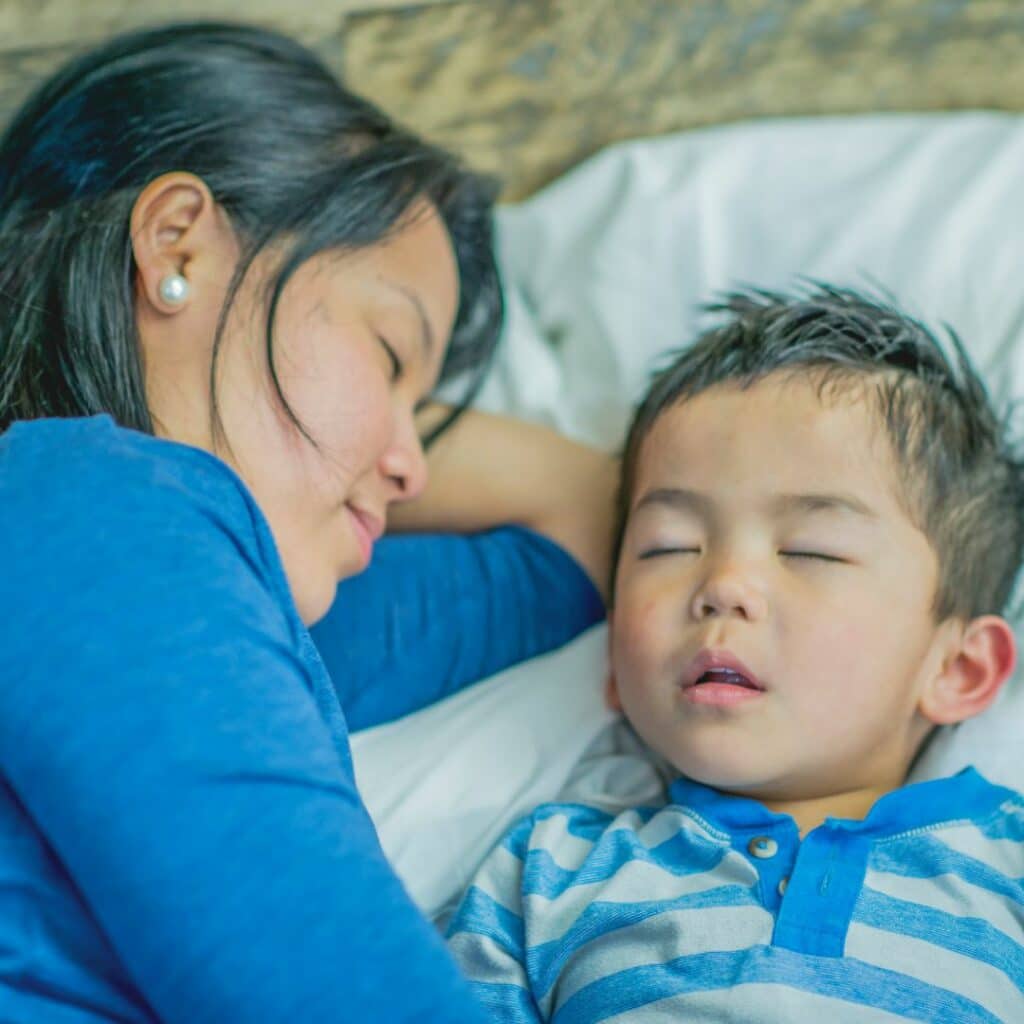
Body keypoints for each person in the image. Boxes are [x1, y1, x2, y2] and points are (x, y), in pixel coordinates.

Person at [0, 21, 618, 1024]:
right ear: (178, 248)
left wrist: (358, 424)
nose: (413, 465)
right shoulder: (98, 508)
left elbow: (601, 524)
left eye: (429, 415)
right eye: (388, 353)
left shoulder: (214, 609)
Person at [447, 286, 1024, 1022]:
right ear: (617, 663)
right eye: (670, 547)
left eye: (811, 550)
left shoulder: (1007, 871)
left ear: (957, 668)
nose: (722, 585)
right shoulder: (550, 873)